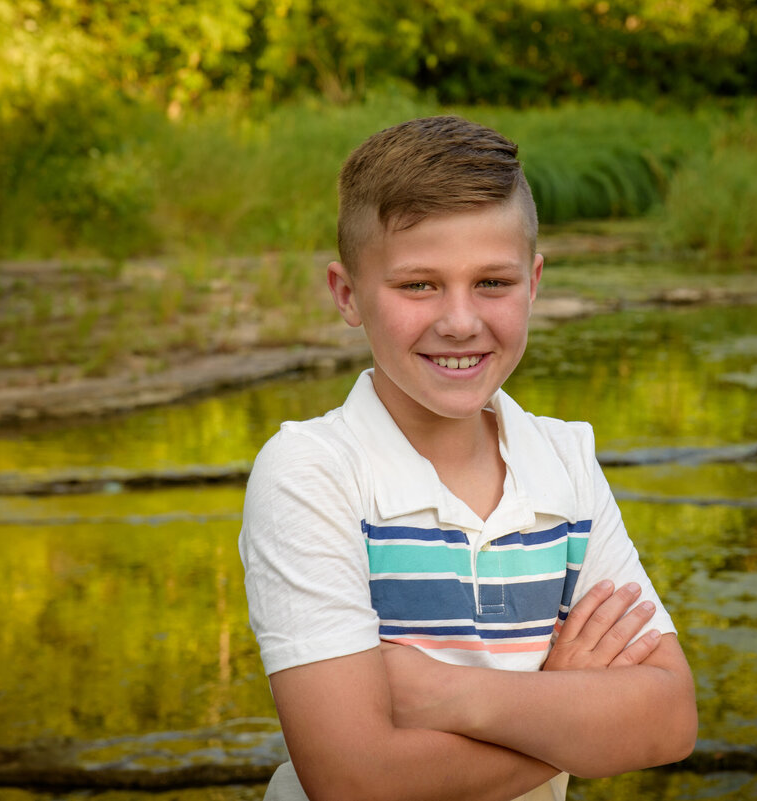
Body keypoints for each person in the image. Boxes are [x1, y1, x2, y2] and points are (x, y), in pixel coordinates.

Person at [238, 115, 696, 801]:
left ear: (534, 282)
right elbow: (355, 780)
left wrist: (451, 693)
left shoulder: (565, 461)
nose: (459, 320)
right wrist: (568, 713)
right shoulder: (312, 472)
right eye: (419, 285)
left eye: (493, 283)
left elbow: (670, 720)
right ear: (346, 294)